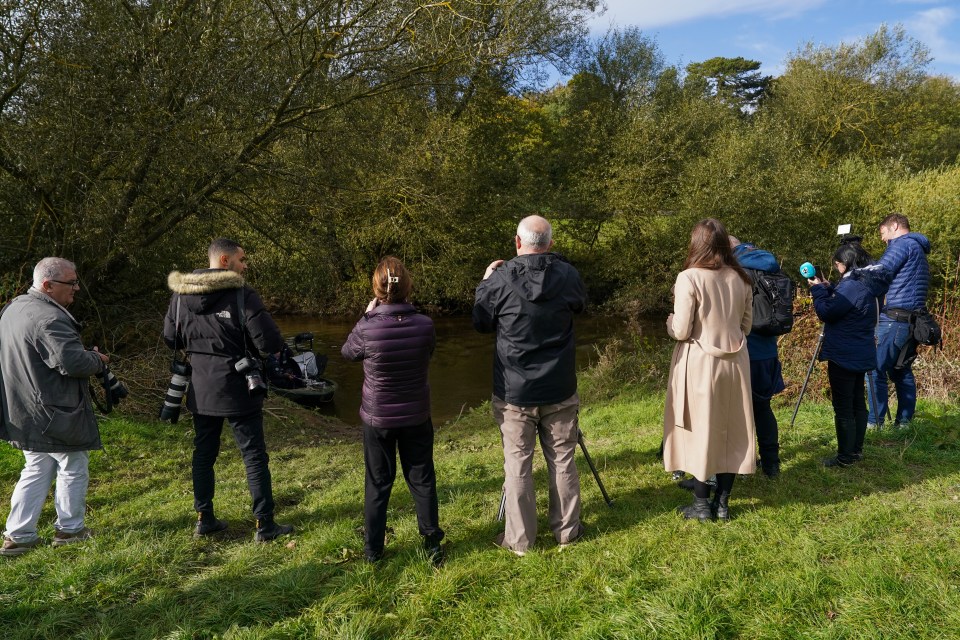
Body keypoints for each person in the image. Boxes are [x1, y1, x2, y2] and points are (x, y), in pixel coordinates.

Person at [163, 238, 293, 542]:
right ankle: (265, 524)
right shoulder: (242, 294)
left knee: (204, 454)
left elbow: (171, 339)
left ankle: (204, 518)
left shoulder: (181, 295)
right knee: (253, 456)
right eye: (242, 260)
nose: (245, 266)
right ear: (224, 261)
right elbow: (270, 343)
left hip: (200, 387)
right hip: (238, 387)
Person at [473, 215, 587, 555]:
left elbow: (480, 322)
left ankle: (521, 541)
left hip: (515, 391)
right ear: (550, 244)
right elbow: (580, 305)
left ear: (517, 242)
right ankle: (567, 531)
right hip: (558, 386)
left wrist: (485, 282)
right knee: (562, 458)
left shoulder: (500, 279)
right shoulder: (567, 275)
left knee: (518, 462)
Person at [0, 258, 108, 556]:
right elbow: (71, 363)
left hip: (22, 408)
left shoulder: (14, 309)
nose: (76, 288)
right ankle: (70, 531)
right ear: (48, 285)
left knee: (35, 467)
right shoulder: (49, 318)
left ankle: (19, 535)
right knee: (73, 466)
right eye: (70, 283)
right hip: (54, 410)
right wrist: (97, 359)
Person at [341, 257, 444, 565]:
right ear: (407, 286)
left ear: (377, 288)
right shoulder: (425, 325)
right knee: (422, 478)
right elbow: (428, 352)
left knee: (378, 483)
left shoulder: (368, 328)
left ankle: (373, 551)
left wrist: (366, 316)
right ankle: (432, 545)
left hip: (378, 417)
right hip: (416, 415)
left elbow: (347, 353)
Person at [663, 219, 755, 522]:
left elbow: (681, 330)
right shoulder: (742, 279)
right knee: (732, 429)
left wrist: (669, 322)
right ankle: (723, 504)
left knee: (702, 428)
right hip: (736, 361)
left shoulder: (689, 277)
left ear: (697, 244)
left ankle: (701, 505)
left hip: (700, 361)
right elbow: (746, 326)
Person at [808, 240, 886, 466]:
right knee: (857, 403)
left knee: (844, 406)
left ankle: (845, 457)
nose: (836, 266)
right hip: (861, 349)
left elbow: (827, 312)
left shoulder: (851, 285)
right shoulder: (867, 282)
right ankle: (856, 451)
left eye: (838, 263)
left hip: (844, 352)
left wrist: (816, 290)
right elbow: (847, 304)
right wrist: (829, 287)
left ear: (846, 262)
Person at [867, 213, 931, 430]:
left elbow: (880, 272)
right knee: (900, 370)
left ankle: (875, 422)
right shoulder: (917, 247)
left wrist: (856, 273)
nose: (883, 239)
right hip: (913, 320)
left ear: (894, 226)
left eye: (883, 233)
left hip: (895, 319)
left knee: (875, 368)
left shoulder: (901, 244)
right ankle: (904, 423)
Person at [730, 237, 786, 478]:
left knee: (735, 412)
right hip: (768, 351)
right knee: (763, 408)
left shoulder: (736, 272)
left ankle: (741, 464)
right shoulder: (770, 267)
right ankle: (772, 464)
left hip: (744, 351)